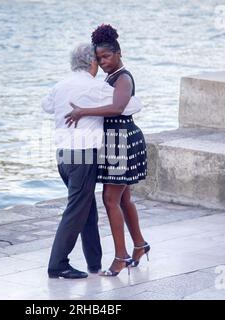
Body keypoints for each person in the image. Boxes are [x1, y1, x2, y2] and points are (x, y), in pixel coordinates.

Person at [42, 43, 143, 279]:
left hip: (63, 157)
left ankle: (93, 262)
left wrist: (76, 107)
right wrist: (94, 106)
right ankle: (58, 265)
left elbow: (46, 106)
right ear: (92, 63)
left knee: (86, 208)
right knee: (76, 210)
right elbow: (133, 105)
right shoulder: (96, 86)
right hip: (83, 155)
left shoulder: (60, 85)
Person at [65, 24, 150, 277]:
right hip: (115, 140)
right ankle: (140, 246)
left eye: (106, 56)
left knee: (110, 199)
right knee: (123, 199)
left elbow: (116, 108)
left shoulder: (123, 77)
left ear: (119, 52)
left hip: (121, 140)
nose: (102, 62)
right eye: (98, 58)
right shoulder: (110, 77)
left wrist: (82, 111)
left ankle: (120, 257)